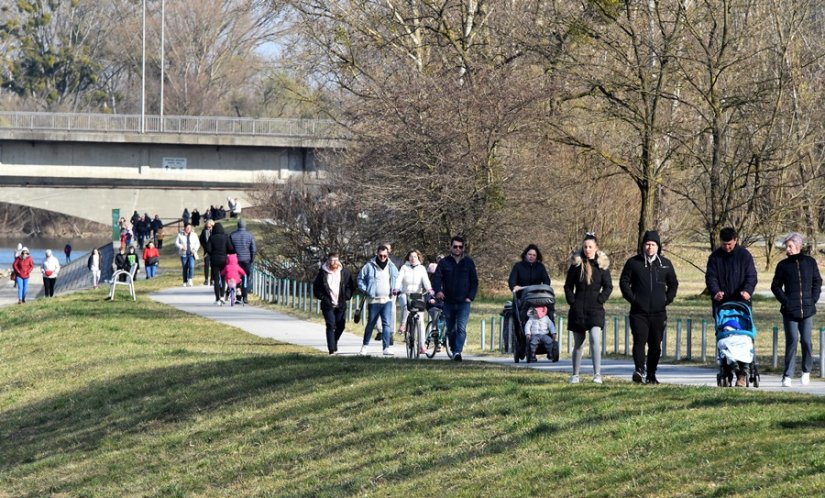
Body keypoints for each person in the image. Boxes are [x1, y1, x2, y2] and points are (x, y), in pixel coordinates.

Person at [619, 230, 679, 385]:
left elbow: (673, 283)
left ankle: (651, 374)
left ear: (658, 246)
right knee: (639, 341)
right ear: (642, 246)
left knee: (655, 345)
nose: (649, 248)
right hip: (639, 312)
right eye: (647, 244)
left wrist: (667, 299)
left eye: (652, 245)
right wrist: (633, 299)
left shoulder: (665, 264)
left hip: (659, 312)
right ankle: (639, 370)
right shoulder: (633, 263)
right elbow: (624, 282)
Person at [771, 232, 822, 388]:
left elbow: (817, 282)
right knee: (791, 341)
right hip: (789, 311)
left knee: (806, 341)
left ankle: (806, 372)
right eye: (786, 246)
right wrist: (786, 301)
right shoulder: (783, 265)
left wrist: (813, 299)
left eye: (790, 246)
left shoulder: (810, 262)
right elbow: (775, 286)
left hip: (807, 309)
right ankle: (787, 375)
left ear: (798, 246)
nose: (788, 248)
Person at [564, 233, 612, 384]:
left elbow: (608, 286)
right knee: (578, 343)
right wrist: (572, 301)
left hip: (595, 309)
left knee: (594, 339)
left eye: (590, 246)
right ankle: (575, 375)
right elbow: (568, 286)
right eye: (585, 246)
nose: (587, 249)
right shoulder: (576, 265)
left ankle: (597, 374)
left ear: (596, 247)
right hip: (578, 309)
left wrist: (600, 299)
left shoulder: (601, 265)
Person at [431, 236, 478, 362]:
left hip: (464, 302)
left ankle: (457, 352)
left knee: (461, 328)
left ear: (463, 248)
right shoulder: (444, 262)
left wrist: (470, 297)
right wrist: (438, 291)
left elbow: (474, 281)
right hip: (449, 302)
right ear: (450, 247)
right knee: (451, 329)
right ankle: (453, 347)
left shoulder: (468, 262)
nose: (458, 249)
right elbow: (436, 279)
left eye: (460, 247)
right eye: (455, 246)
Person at [705, 227, 757, 317]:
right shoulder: (714, 257)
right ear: (720, 241)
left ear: (735, 240)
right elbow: (711, 277)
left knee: (741, 329)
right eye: (724, 244)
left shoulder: (744, 255)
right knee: (723, 329)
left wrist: (747, 291)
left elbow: (751, 276)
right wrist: (715, 291)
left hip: (741, 301)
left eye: (729, 244)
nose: (727, 247)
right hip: (721, 302)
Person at [357, 245, 399, 356]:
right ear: (377, 254)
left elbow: (397, 279)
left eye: (385, 255)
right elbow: (360, 278)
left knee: (386, 324)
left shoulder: (392, 266)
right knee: (371, 323)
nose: (382, 257)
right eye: (380, 255)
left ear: (388, 255)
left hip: (387, 300)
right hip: (373, 300)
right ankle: (364, 347)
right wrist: (365, 289)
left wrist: (395, 289)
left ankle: (386, 347)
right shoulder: (369, 266)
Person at [313, 252, 356, 354]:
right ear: (328, 261)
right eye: (331, 260)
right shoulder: (323, 273)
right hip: (328, 304)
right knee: (331, 325)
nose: (333, 262)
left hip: (340, 303)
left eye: (335, 260)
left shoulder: (344, 272)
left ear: (339, 260)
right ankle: (331, 349)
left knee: (341, 325)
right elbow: (316, 288)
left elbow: (350, 286)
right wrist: (323, 297)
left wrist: (346, 296)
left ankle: (334, 340)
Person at [394, 249, 432, 354]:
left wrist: (429, 289)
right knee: (405, 306)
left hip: (418, 295)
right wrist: (396, 288)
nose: (413, 258)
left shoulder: (421, 268)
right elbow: (399, 279)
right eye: (411, 256)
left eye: (415, 256)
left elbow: (426, 280)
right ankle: (403, 324)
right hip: (405, 293)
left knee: (420, 322)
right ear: (408, 258)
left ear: (418, 257)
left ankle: (422, 345)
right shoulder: (404, 267)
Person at [229, 218, 256, 304]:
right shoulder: (250, 235)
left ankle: (238, 297)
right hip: (246, 260)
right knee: (245, 278)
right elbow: (253, 249)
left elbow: (230, 249)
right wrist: (252, 259)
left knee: (236, 279)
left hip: (235, 261)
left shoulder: (232, 235)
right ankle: (245, 297)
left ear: (237, 225)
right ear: (245, 225)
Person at [206, 222, 234, 305]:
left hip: (214, 260)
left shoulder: (212, 238)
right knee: (223, 278)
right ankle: (222, 296)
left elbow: (208, 249)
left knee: (216, 279)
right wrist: (226, 252)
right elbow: (231, 248)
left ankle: (217, 298)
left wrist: (212, 253)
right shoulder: (225, 237)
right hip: (224, 260)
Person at [200, 220, 214, 286]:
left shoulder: (214, 231)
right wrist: (205, 247)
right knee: (206, 265)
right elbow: (201, 240)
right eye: (207, 227)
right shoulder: (204, 231)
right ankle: (206, 279)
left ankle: (212, 280)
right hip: (206, 252)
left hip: (213, 251)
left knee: (213, 266)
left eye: (210, 227)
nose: (208, 228)